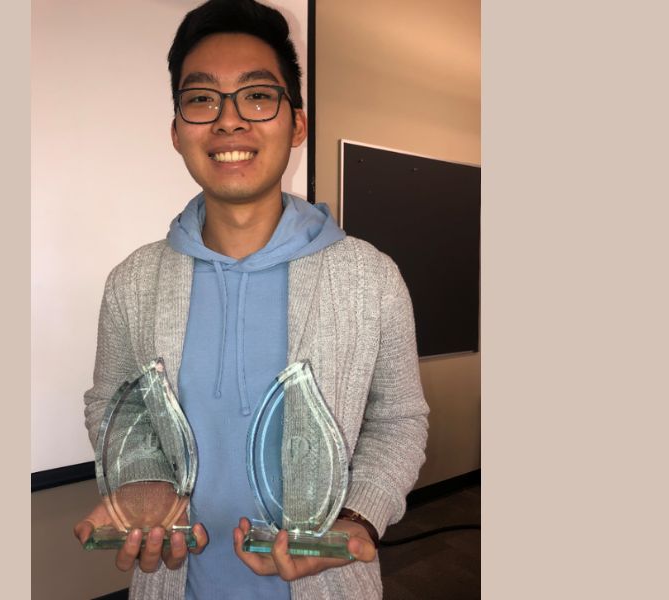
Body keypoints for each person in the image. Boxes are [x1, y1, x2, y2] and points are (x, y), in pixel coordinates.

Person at [73, 1, 429, 598]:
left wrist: (357, 517)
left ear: (297, 124)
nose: (229, 121)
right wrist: (143, 480)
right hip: (175, 584)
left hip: (329, 582)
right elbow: (115, 402)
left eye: (258, 96)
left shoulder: (370, 278)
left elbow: (399, 421)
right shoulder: (133, 282)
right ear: (176, 129)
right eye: (202, 98)